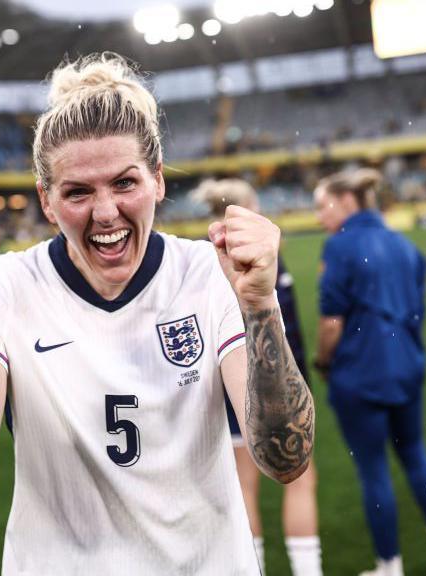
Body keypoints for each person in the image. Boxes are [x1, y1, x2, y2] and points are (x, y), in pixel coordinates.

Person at [0, 52, 315, 575]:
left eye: (124, 183)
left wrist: (261, 305)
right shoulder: (9, 287)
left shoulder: (208, 274)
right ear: (46, 200)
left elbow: (285, 459)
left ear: (158, 180)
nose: (105, 212)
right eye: (78, 192)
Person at [312, 169, 426, 576]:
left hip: (359, 376)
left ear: (347, 202)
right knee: (416, 456)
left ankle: (389, 568)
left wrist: (323, 361)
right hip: (407, 368)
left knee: (373, 470)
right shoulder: (406, 247)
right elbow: (418, 314)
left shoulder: (340, 247)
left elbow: (331, 324)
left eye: (321, 205)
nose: (317, 217)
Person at [191, 178, 322, 576]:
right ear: (246, 207)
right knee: (299, 481)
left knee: (242, 488)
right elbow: (290, 337)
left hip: (225, 394)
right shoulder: (259, 258)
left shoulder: (196, 262)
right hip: (271, 387)